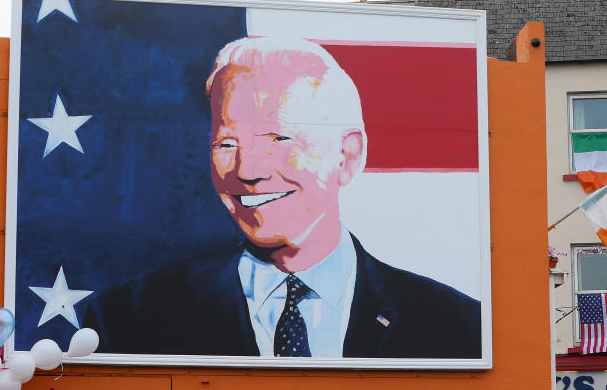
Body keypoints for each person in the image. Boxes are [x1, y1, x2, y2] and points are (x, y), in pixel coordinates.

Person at [84, 36, 481, 359]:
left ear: (347, 156)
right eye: (227, 142)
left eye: (278, 138)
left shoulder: (457, 325)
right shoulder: (128, 319)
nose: (248, 169)